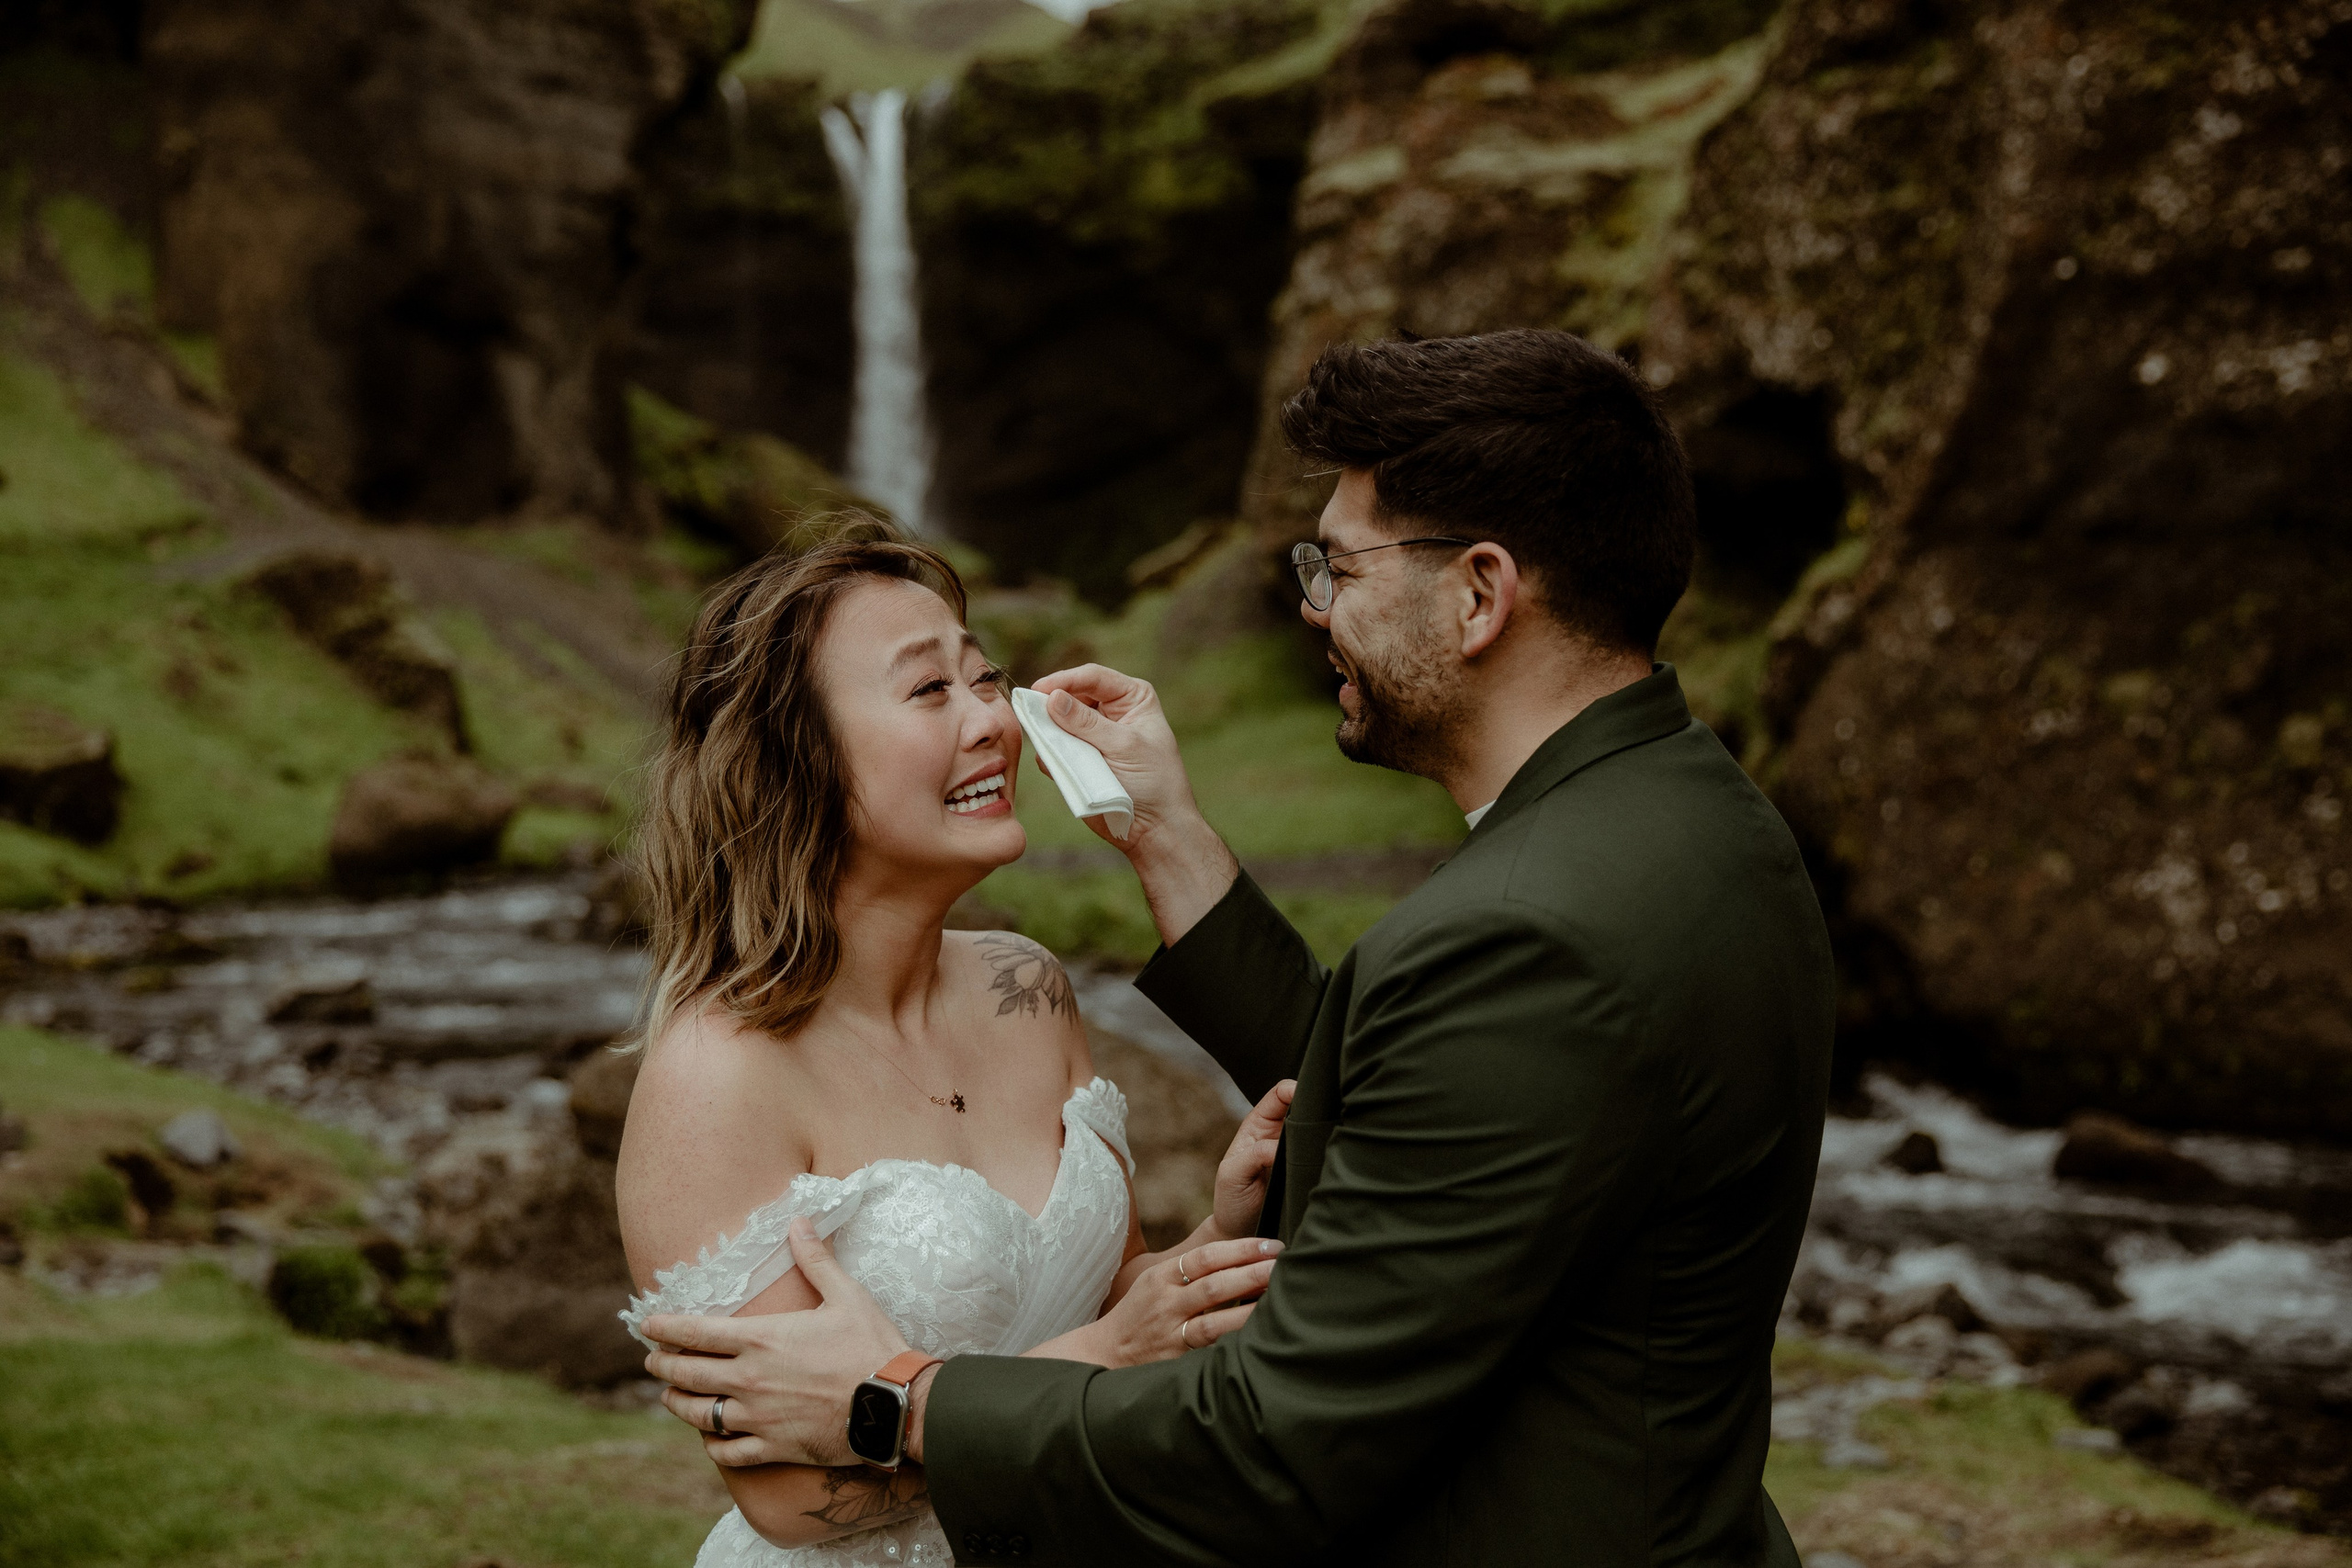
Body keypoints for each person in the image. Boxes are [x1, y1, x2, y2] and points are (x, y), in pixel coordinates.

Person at [640, 330, 1837, 1568]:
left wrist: (892, 1393)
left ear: (1481, 593)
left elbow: (1271, 1443)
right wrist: (1167, 835)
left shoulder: (1524, 930)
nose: (1313, 602)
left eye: (1341, 563)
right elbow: (1468, 1100)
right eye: (929, 687)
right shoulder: (1701, 820)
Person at [613, 525, 1296, 1566]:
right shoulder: (717, 1076)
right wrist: (1108, 1358)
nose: (993, 722)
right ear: (793, 757)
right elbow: (792, 1496)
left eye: (988, 679)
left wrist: (1215, 1237)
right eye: (932, 692)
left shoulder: (1029, 988)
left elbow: (1107, 1293)